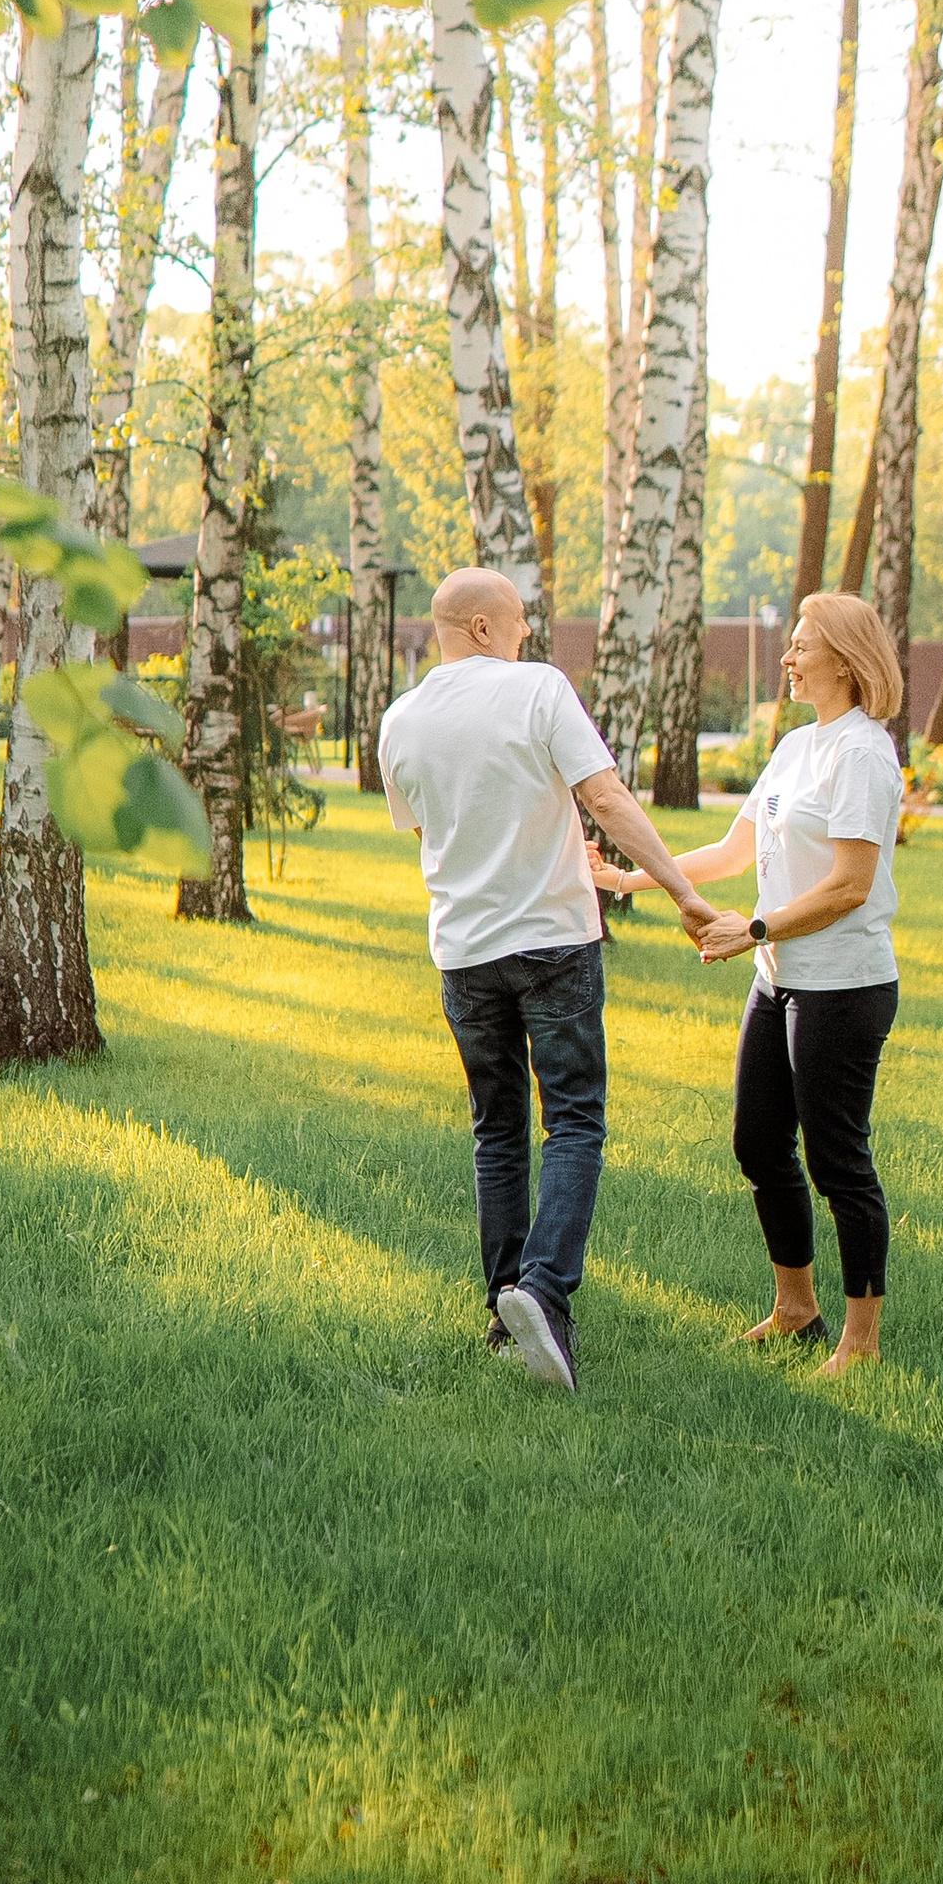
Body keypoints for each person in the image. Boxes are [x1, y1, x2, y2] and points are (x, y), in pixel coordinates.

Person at [379, 566, 711, 1395]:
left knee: (497, 1133)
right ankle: (545, 1293)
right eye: (520, 618)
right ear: (483, 627)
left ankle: (504, 1319)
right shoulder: (539, 689)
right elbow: (606, 796)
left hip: (464, 952)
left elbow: (430, 828)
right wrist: (682, 891)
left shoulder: (400, 720)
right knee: (574, 1122)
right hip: (553, 944)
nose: (528, 630)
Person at [594, 589, 905, 1377]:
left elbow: (850, 886)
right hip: (780, 980)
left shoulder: (862, 754)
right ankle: (796, 1311)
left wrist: (756, 928)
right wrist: (628, 880)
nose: (788, 657)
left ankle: (861, 1343)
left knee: (838, 1160)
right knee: (759, 1143)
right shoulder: (798, 747)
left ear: (846, 659)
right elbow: (734, 852)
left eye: (802, 645)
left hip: (843, 985)